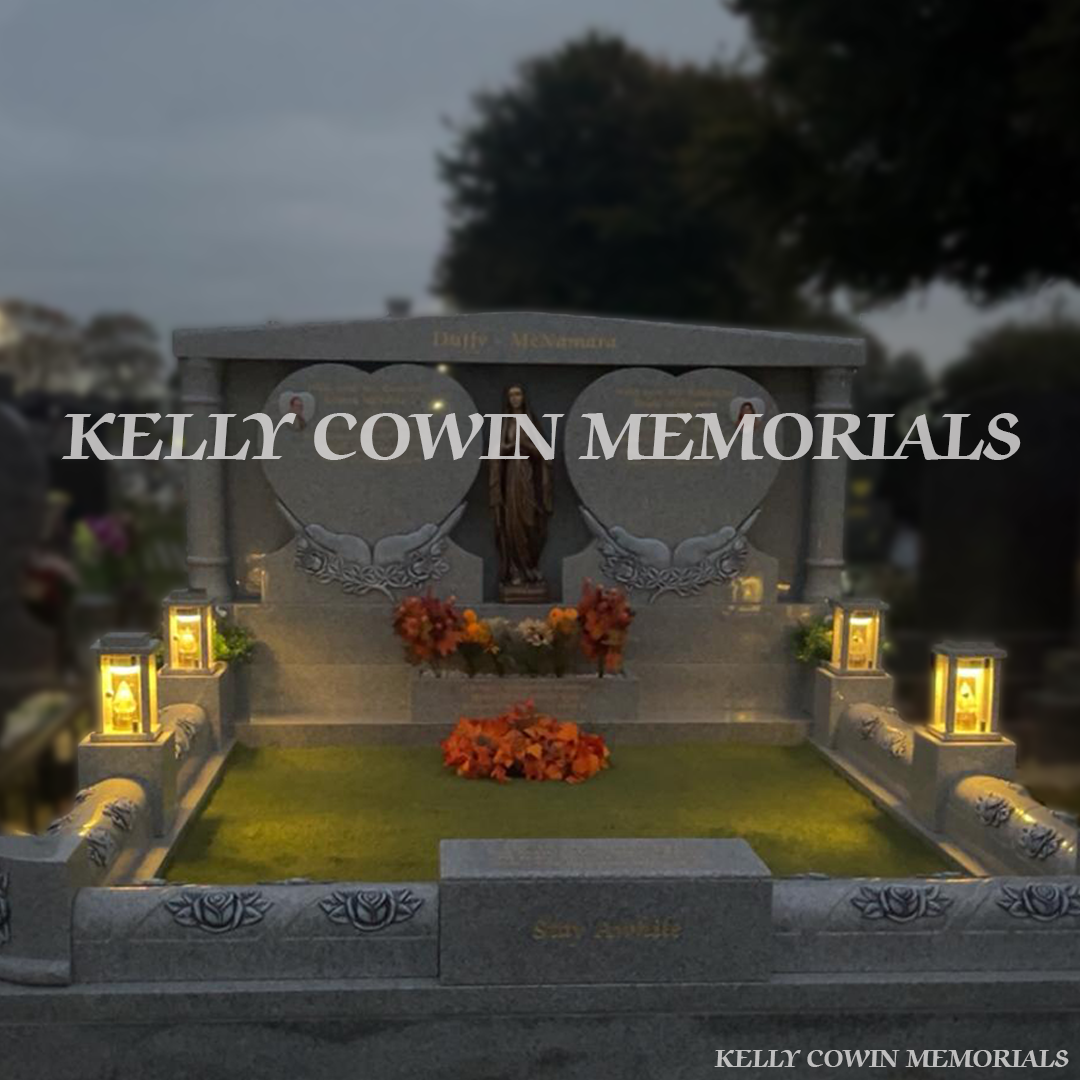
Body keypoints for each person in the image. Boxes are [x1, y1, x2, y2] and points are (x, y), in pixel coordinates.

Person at [489, 384, 553, 587]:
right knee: (512, 522)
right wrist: (507, 447)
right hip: (510, 476)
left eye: (518, 394)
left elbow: (545, 454)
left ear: (524, 397)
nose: (515, 398)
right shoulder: (503, 423)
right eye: (511, 395)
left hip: (527, 474)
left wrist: (525, 446)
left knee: (530, 521)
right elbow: (495, 453)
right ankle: (515, 569)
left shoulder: (529, 421)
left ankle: (530, 566)